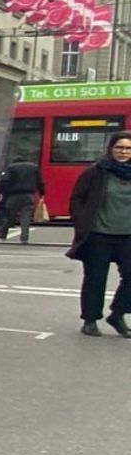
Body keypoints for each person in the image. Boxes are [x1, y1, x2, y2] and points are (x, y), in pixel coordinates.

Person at [66, 128, 131, 337]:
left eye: (128, 149)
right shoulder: (96, 172)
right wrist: (82, 222)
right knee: (96, 278)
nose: (123, 152)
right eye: (119, 147)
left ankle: (117, 314)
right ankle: (90, 319)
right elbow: (77, 199)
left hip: (127, 235)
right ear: (111, 149)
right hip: (98, 234)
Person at [0, 158, 45, 244]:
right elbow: (39, 181)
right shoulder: (34, 167)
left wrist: (1, 193)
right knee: (26, 217)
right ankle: (24, 238)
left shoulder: (11, 168)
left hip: (13, 195)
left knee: (9, 216)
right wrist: (42, 193)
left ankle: (2, 235)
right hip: (29, 195)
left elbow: (5, 181)